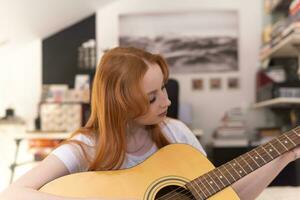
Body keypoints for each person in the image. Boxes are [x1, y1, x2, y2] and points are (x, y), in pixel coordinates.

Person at [0, 47, 299, 200]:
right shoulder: (87, 147)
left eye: (164, 88)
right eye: (152, 97)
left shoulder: (177, 134)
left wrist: (284, 155)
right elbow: (12, 193)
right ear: (120, 102)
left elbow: (228, 196)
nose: (166, 102)